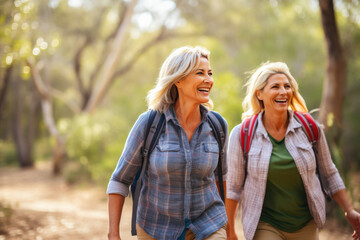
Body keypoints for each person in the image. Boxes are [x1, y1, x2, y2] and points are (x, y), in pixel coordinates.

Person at [225, 62, 360, 240]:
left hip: (305, 223)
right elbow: (233, 188)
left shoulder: (309, 128)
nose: (283, 92)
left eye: (287, 86)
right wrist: (230, 231)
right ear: (259, 94)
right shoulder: (242, 133)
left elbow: (329, 173)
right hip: (265, 223)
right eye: (275, 86)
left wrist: (349, 210)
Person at [107, 46, 228, 240]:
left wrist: (228, 228)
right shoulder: (150, 123)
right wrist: (113, 234)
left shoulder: (217, 125)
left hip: (208, 224)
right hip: (156, 227)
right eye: (200, 73)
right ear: (178, 79)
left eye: (210, 73)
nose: (209, 80)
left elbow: (221, 177)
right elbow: (120, 180)